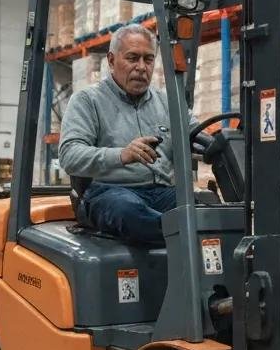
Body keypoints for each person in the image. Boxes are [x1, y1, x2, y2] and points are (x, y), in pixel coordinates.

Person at [58, 23, 199, 245]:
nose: (142, 67)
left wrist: (218, 144)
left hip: (161, 193)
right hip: (109, 192)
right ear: (112, 61)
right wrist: (121, 155)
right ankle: (176, 236)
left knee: (205, 207)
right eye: (133, 58)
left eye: (148, 59)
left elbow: (196, 132)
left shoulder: (168, 101)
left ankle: (177, 235)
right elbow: (69, 155)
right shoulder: (88, 100)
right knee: (129, 212)